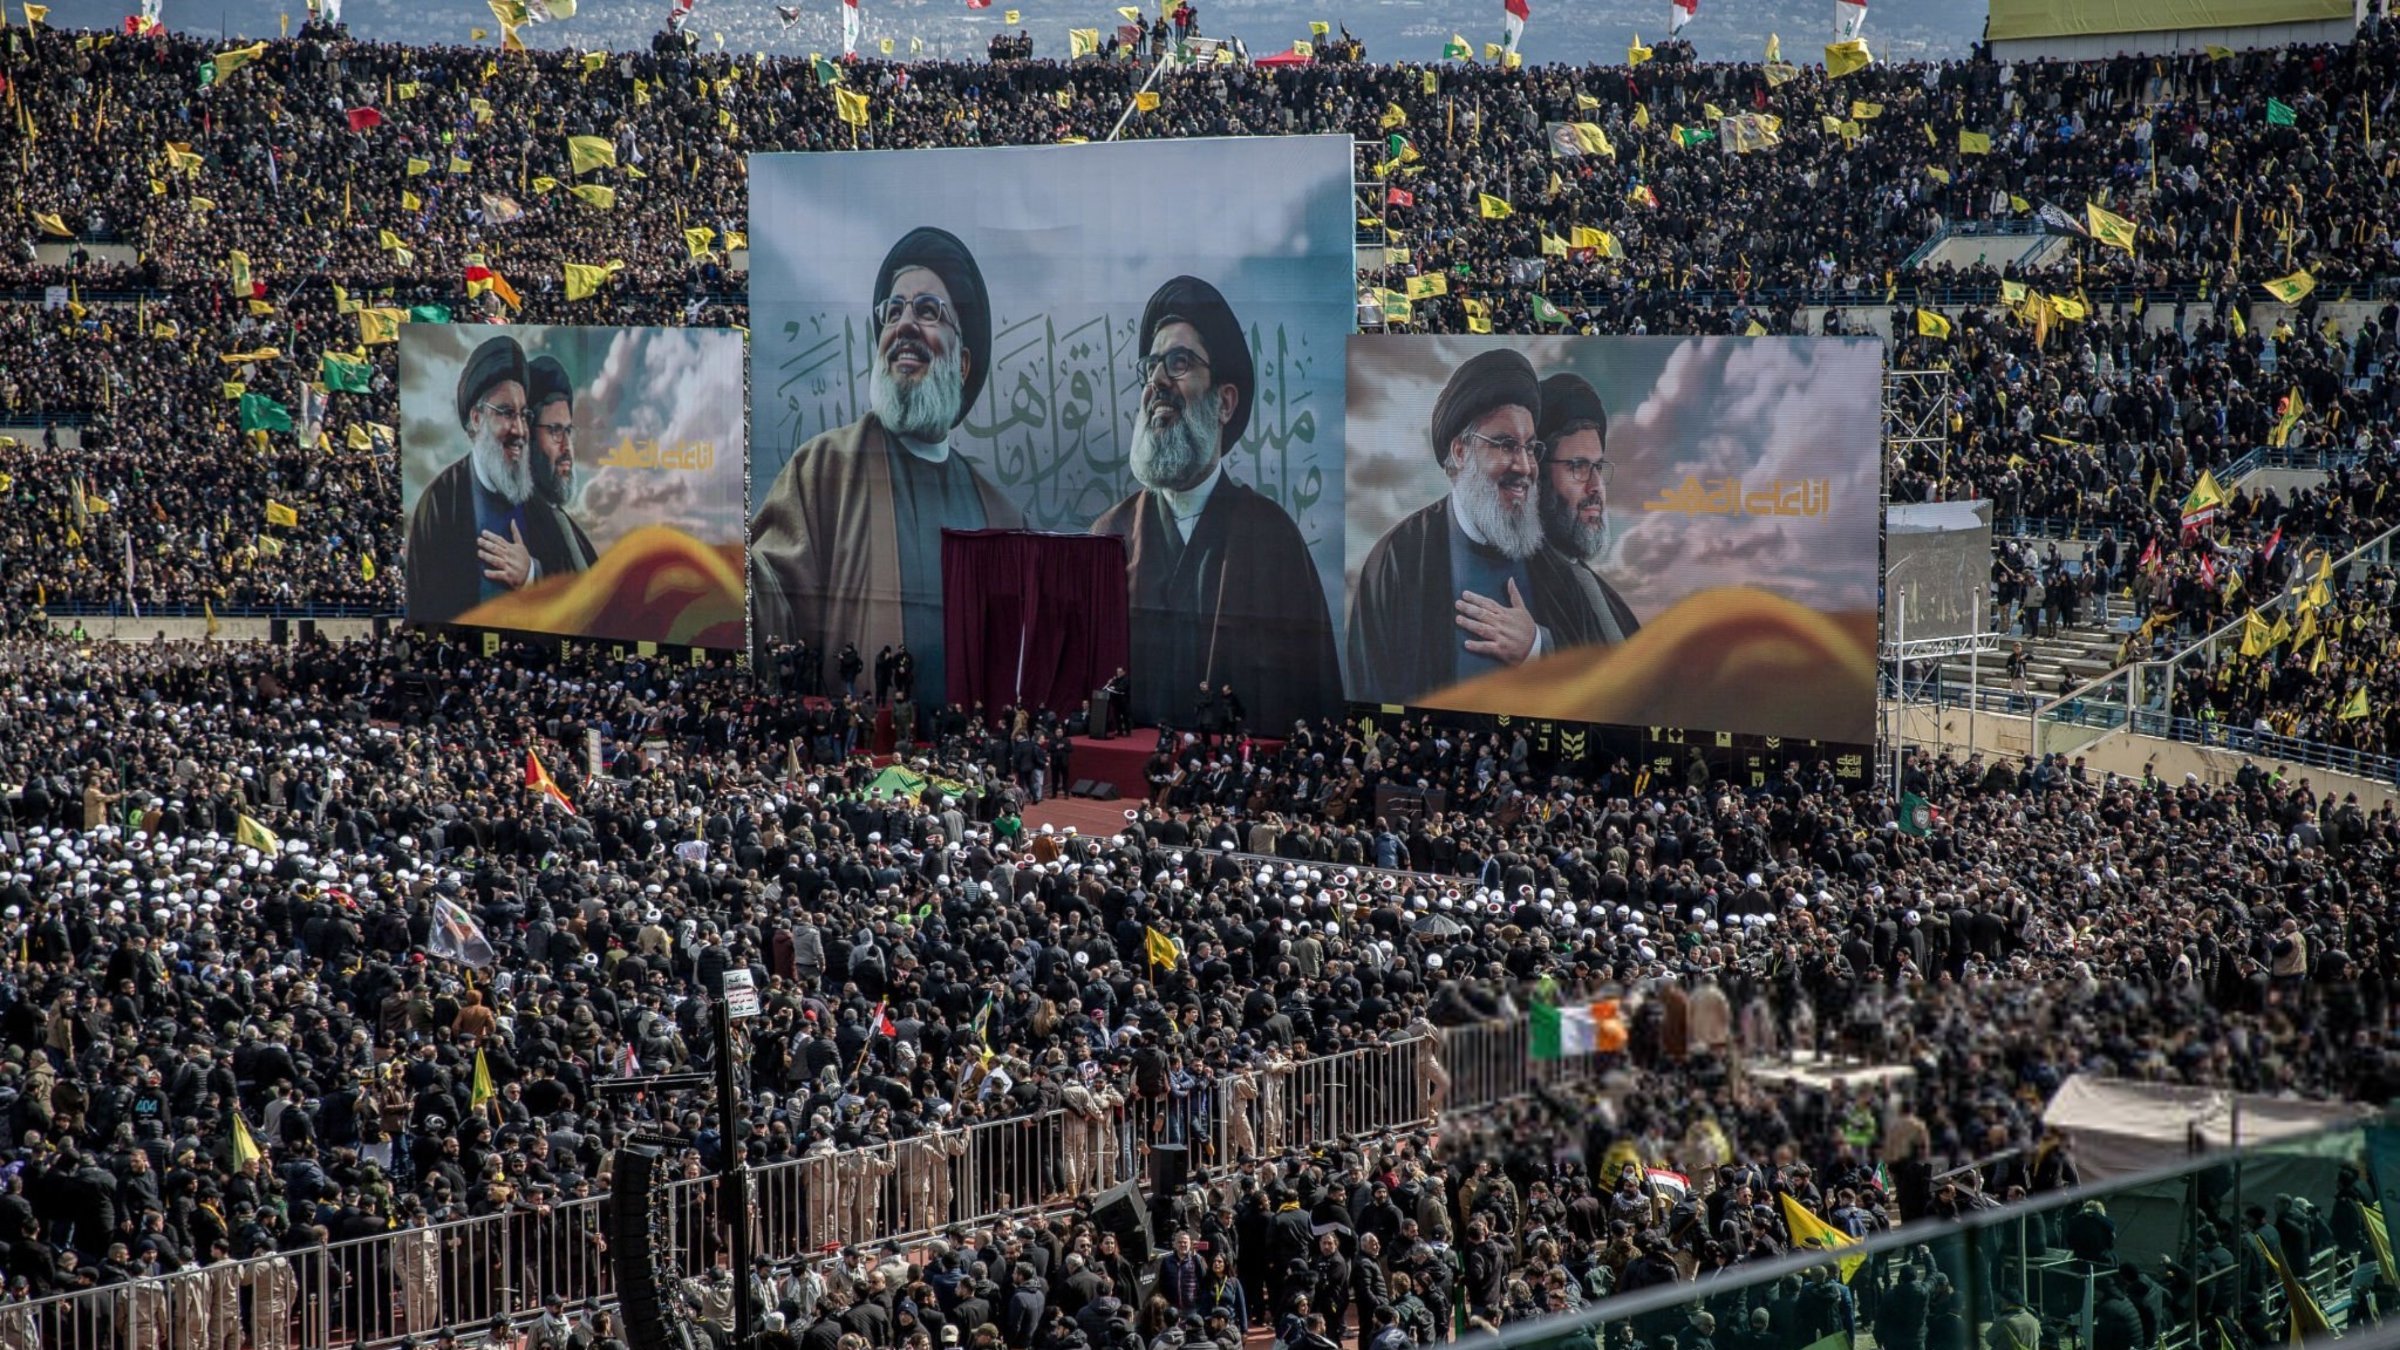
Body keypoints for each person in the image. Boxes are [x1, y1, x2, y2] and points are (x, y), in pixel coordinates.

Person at [750, 226, 1022, 707]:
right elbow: (770, 602)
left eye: (928, 311)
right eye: (893, 311)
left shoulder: (1000, 514)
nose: (904, 326)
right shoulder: (823, 469)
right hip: (864, 745)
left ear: (962, 364)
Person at [1091, 275, 1342, 734]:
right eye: (1150, 368)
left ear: (1224, 402)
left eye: (1179, 362)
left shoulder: (1273, 538)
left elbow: (1312, 695)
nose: (1157, 383)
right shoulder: (1109, 536)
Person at [1345, 350, 1622, 706]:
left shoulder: (1556, 570)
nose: (1524, 466)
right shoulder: (1398, 559)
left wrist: (1536, 647)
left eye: (1530, 447)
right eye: (1506, 445)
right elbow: (1369, 691)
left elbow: (1604, 683)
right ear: (1460, 451)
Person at [404, 334, 537, 624]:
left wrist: (530, 574)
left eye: (523, 415)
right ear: (476, 418)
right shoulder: (438, 503)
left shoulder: (536, 500)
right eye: (506, 413)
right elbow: (425, 609)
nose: (519, 429)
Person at [474, 353, 599, 592]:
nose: (566, 447)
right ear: (527, 437)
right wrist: (532, 575)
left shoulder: (568, 527)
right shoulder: (509, 515)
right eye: (554, 430)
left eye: (568, 431)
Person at [1532, 372, 1641, 646]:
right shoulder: (1519, 582)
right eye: (1578, 466)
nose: (1596, 486)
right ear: (1538, 476)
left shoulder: (1608, 598)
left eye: (1598, 468)